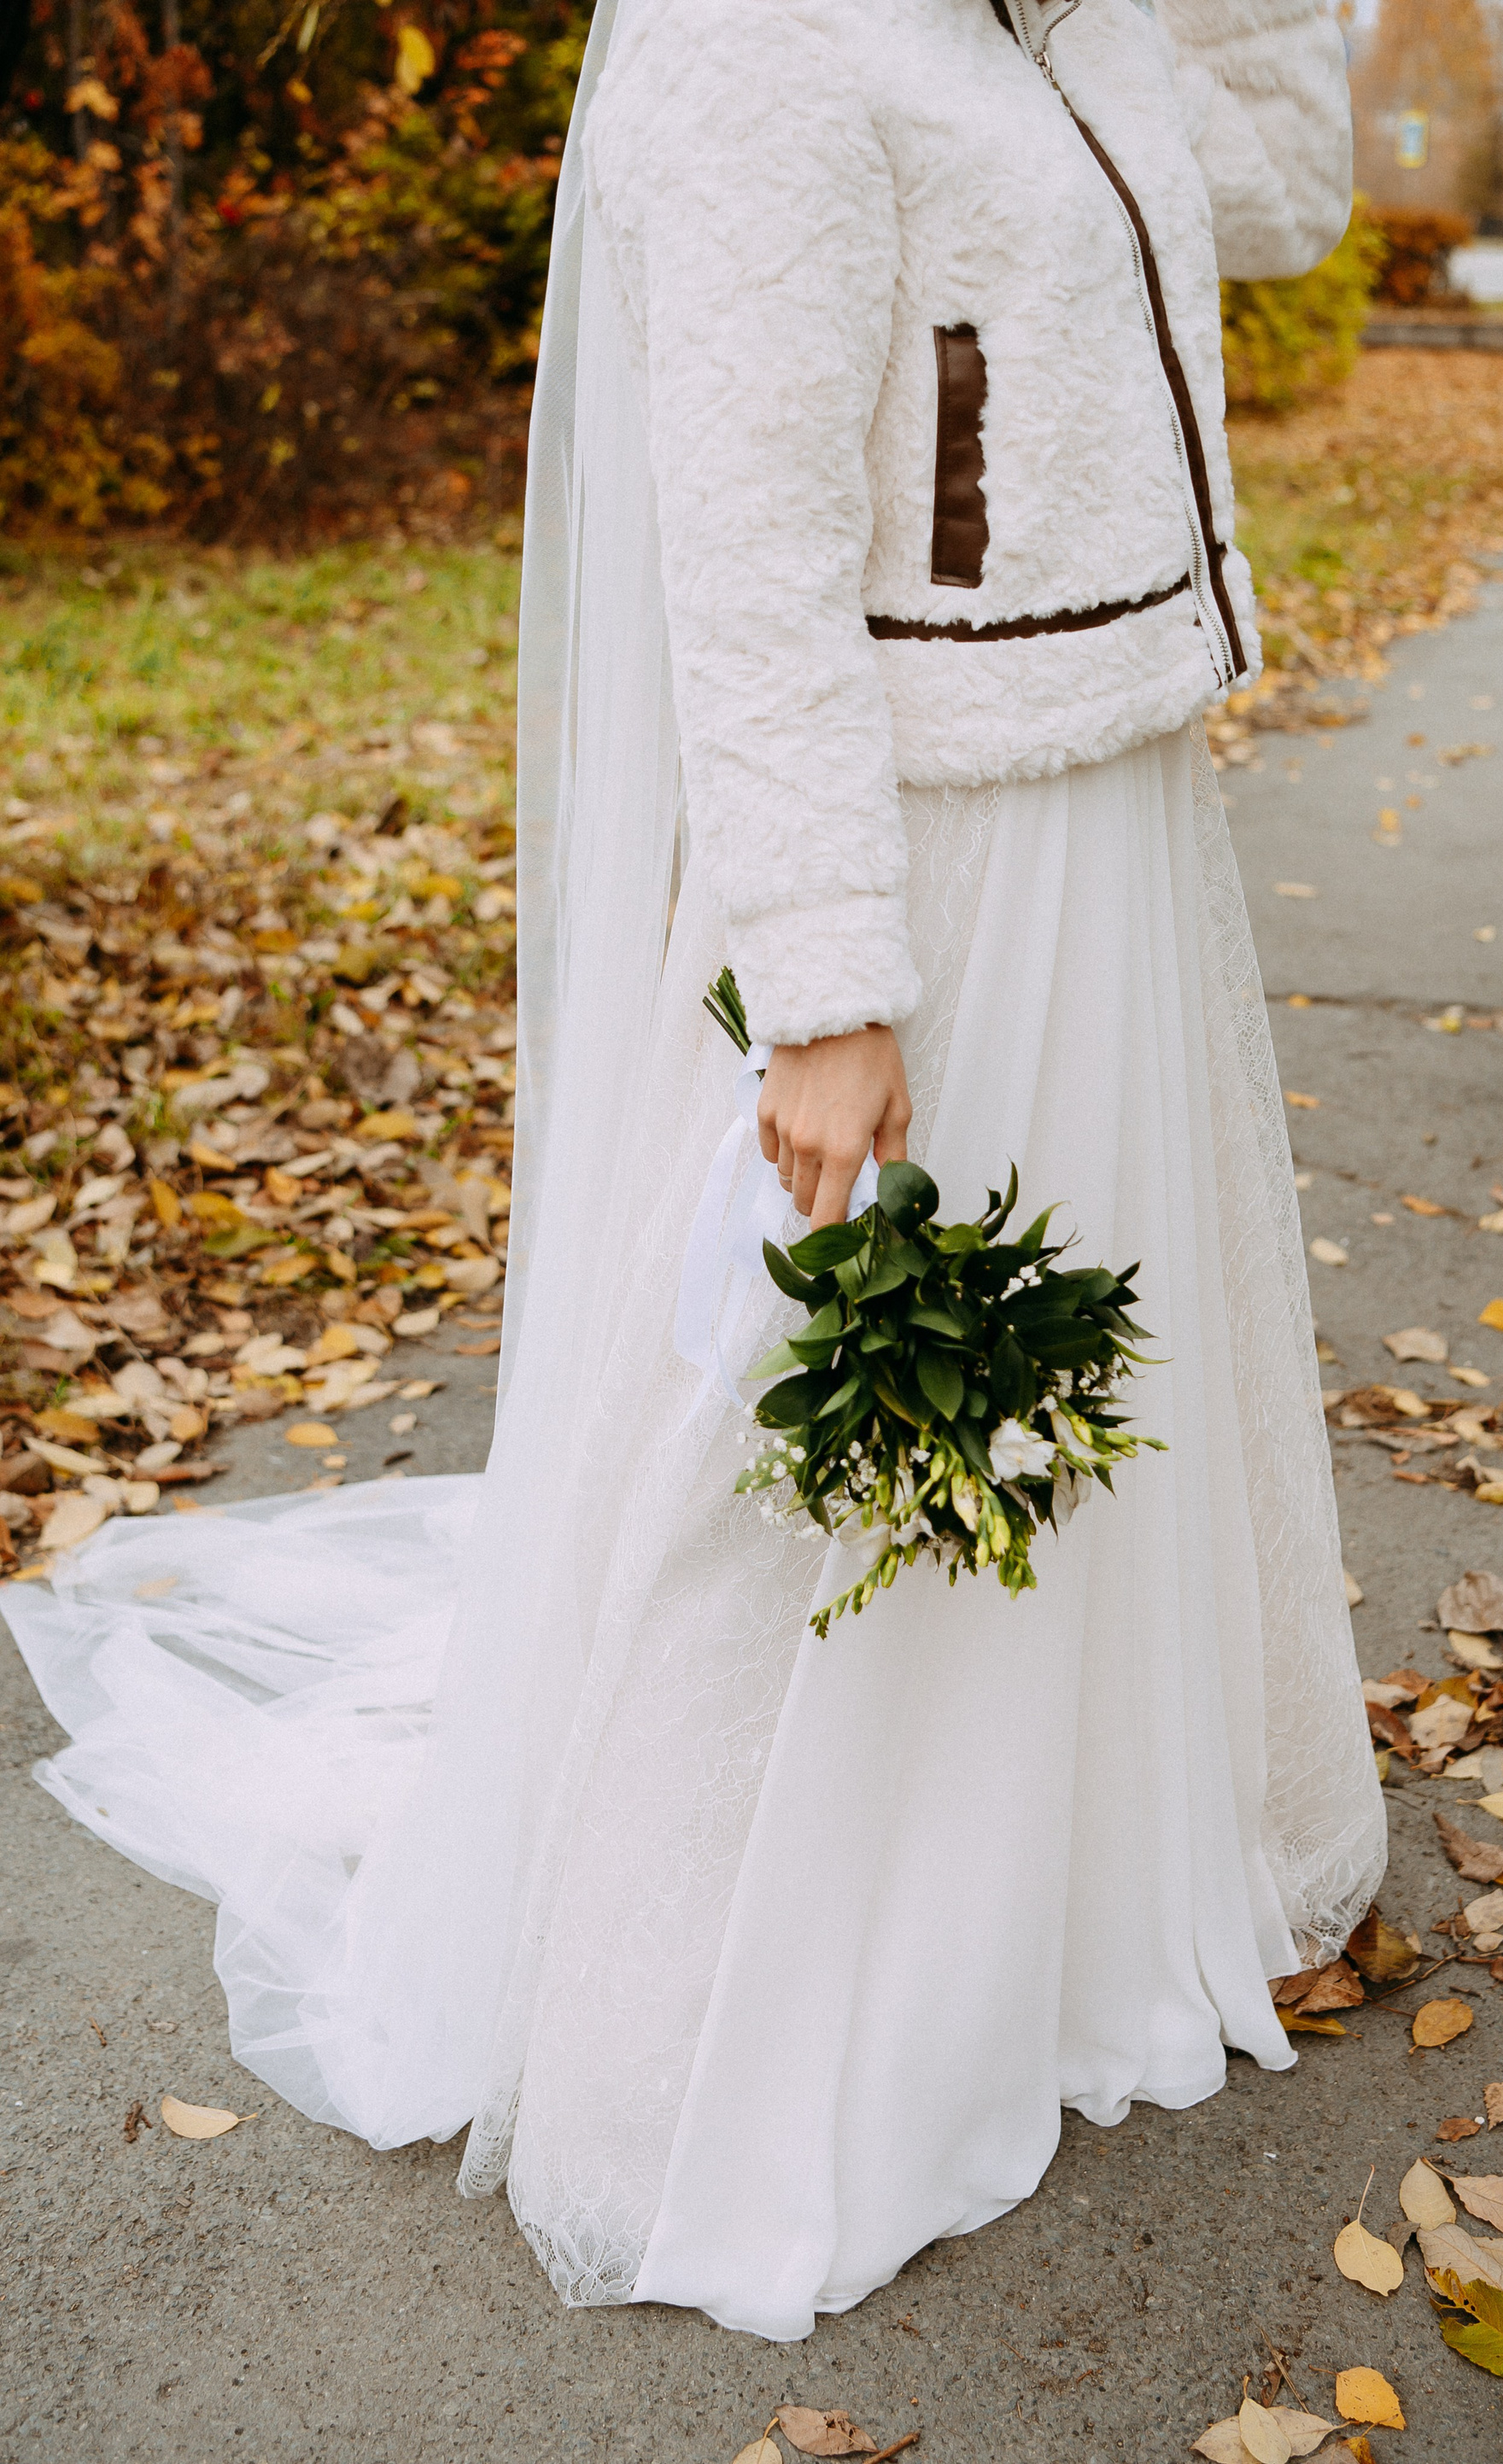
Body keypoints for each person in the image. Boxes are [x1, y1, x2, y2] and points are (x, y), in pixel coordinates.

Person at [8, 0, 1385, 2342]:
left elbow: (1277, 192)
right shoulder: (771, 44)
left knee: (1091, 1411)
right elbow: (743, 562)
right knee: (820, 1435)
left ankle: (1068, 1897)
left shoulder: (1061, 29)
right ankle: (700, 2045)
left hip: (1115, 806)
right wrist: (830, 985)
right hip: (924, 854)